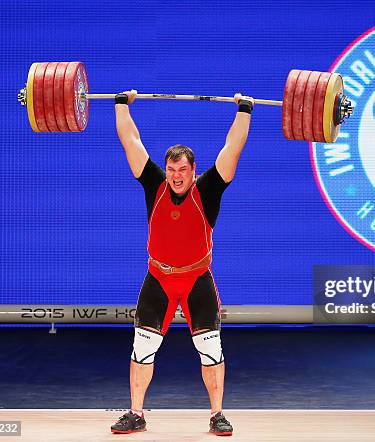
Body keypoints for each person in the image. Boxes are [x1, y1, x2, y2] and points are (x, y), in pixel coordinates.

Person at [109, 89, 253, 436]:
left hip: (196, 280)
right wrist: (120, 106)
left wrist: (244, 111)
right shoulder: (154, 185)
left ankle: (217, 414)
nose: (175, 175)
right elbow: (131, 142)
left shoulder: (208, 190)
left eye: (182, 170)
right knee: (141, 348)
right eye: (171, 169)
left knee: (211, 350)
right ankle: (136, 413)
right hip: (158, 278)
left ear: (193, 170)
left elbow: (231, 150)